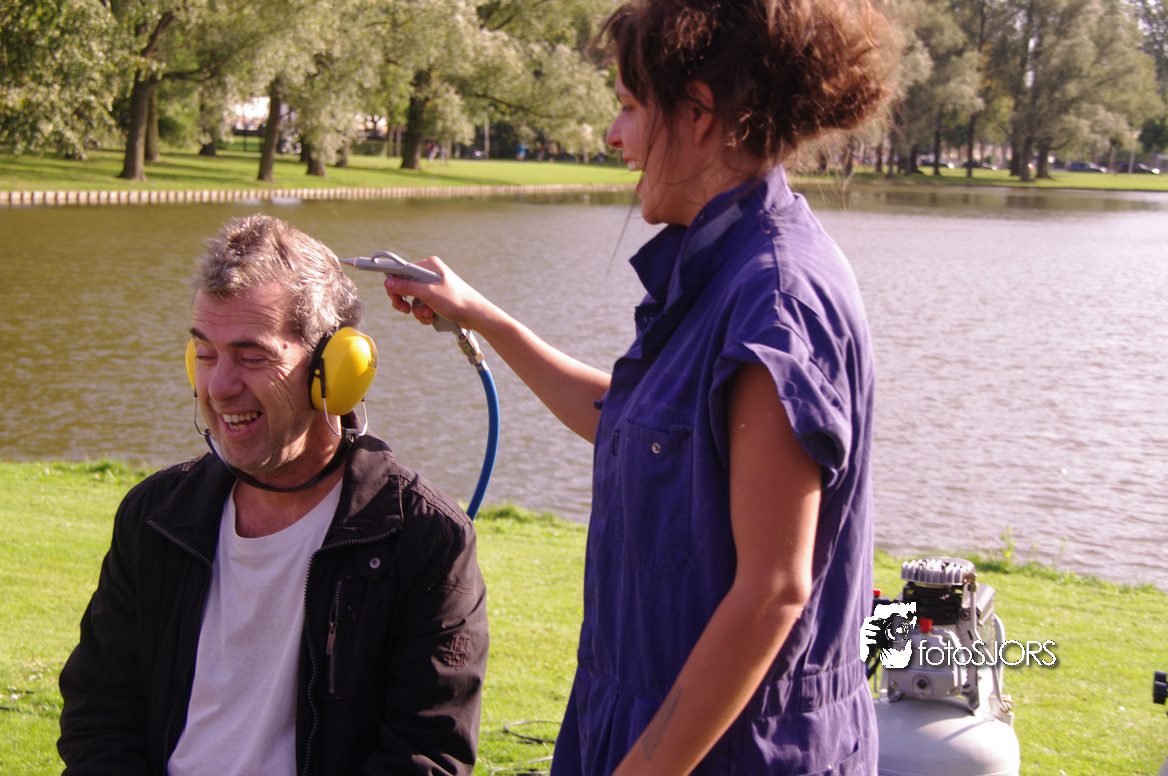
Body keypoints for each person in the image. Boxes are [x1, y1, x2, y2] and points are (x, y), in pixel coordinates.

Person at [382, 1, 896, 774]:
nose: (612, 135)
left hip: (735, 754)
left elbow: (772, 591)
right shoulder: (721, 269)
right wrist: (482, 315)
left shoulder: (777, 300)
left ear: (698, 113)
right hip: (639, 719)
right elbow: (635, 425)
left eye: (627, 106)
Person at [58, 214, 488, 776]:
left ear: (336, 370)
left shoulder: (425, 539)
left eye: (252, 355)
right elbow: (98, 714)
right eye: (205, 354)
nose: (218, 387)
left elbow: (424, 754)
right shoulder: (155, 517)